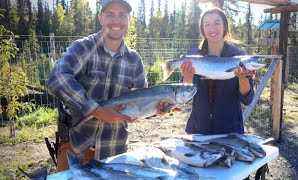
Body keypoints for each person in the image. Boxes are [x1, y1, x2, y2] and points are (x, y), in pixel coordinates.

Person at [47, 0, 168, 171]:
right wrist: (96, 110)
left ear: (129, 20)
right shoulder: (83, 48)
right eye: (109, 14)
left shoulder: (135, 61)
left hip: (115, 153)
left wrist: (158, 108)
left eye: (122, 15)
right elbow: (56, 79)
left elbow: (142, 102)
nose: (116, 21)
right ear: (100, 18)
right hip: (77, 149)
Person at [181, 8, 254, 135]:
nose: (212, 28)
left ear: (225, 26)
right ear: (202, 29)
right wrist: (187, 78)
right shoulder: (193, 56)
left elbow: (247, 99)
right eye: (207, 24)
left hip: (230, 131)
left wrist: (243, 80)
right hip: (198, 129)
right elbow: (184, 98)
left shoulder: (239, 57)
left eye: (217, 23)